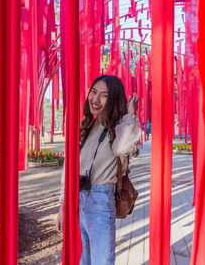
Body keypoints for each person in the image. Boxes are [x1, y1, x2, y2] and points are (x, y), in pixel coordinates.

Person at [56, 75, 141, 265]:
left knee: (101, 261)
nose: (95, 99)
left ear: (114, 99)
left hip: (101, 202)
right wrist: (62, 205)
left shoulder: (119, 128)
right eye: (93, 92)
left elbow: (121, 149)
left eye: (104, 95)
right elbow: (68, 169)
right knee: (83, 260)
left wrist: (131, 115)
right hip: (78, 200)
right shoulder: (87, 126)